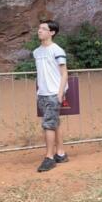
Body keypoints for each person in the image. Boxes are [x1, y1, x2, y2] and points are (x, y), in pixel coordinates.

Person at [34, 20, 69, 172]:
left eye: (43, 28)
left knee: (48, 124)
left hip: (53, 93)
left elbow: (64, 72)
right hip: (42, 93)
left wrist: (59, 94)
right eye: (39, 28)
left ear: (52, 32)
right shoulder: (36, 52)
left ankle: (49, 158)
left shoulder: (57, 50)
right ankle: (60, 153)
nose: (39, 31)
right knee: (54, 122)